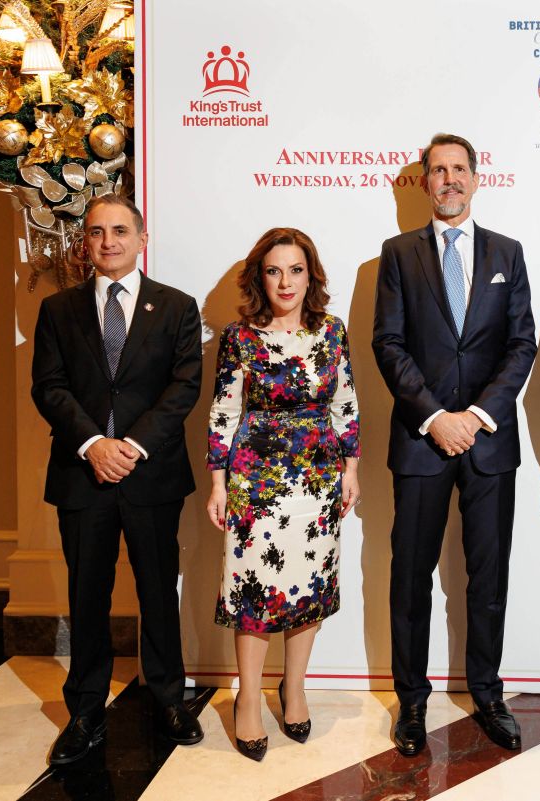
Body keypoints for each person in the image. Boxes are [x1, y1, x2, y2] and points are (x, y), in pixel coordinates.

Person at [372, 133, 537, 756]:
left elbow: (521, 343)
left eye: (459, 169)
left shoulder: (507, 252)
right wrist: (437, 417)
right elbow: (388, 344)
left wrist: (478, 415)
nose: (449, 179)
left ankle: (488, 694)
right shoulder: (397, 254)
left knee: (488, 575)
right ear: (425, 182)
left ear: (475, 177)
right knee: (411, 576)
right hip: (422, 440)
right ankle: (411, 701)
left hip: (489, 441)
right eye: (438, 170)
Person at [31, 194, 205, 765]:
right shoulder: (58, 310)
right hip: (82, 474)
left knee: (158, 590)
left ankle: (169, 698)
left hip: (151, 474)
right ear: (85, 241)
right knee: (87, 596)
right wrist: (94, 445)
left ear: (142, 239)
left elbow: (183, 386)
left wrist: (130, 446)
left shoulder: (177, 307)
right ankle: (85, 711)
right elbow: (49, 387)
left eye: (120, 231)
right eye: (97, 232)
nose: (108, 241)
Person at [206, 227, 360, 762]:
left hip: (319, 476)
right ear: (260, 277)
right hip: (256, 478)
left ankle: (293, 689)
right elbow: (224, 410)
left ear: (310, 276)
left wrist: (351, 470)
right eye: (274, 271)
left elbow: (345, 403)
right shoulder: (239, 336)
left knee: (309, 585)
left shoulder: (332, 331)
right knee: (253, 591)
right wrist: (218, 483)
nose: (286, 281)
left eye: (296, 270)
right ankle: (248, 697)